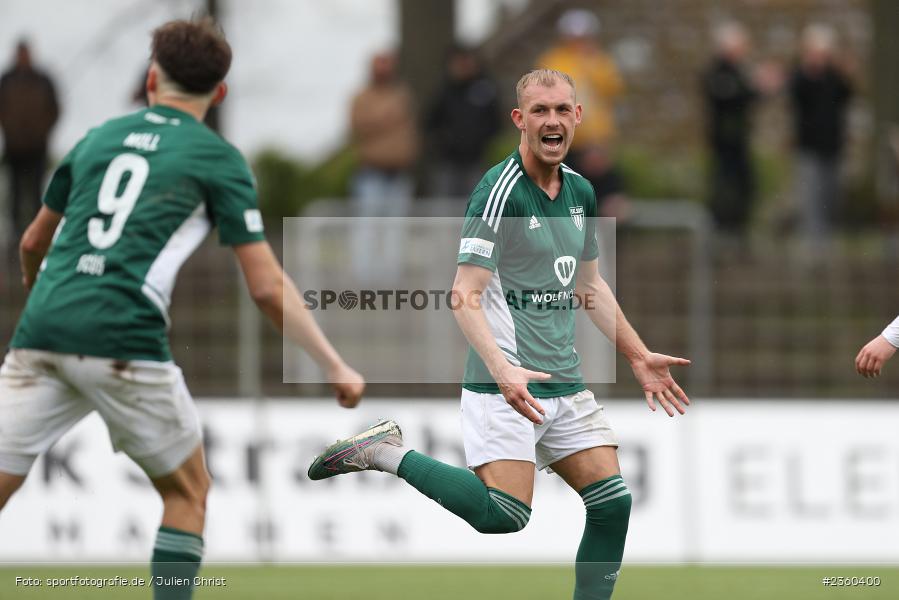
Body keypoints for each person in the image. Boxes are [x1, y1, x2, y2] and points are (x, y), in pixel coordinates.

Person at [0, 19, 365, 600]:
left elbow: (30, 244)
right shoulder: (217, 159)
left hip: (40, 331)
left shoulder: (95, 139)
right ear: (218, 93)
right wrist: (333, 364)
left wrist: (42, 297)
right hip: (123, 338)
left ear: (151, 79)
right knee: (187, 492)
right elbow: (268, 287)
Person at [308, 69, 690, 600]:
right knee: (503, 516)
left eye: (561, 110)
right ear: (520, 120)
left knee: (612, 502)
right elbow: (463, 292)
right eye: (539, 111)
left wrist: (637, 354)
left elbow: (589, 285)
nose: (552, 120)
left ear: (578, 117)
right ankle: (381, 452)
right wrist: (501, 367)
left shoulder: (580, 190)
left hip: (564, 380)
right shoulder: (499, 190)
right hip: (504, 382)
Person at [701, 22, 779, 238]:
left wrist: (764, 89)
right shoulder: (716, 71)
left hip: (739, 141)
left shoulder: (738, 71)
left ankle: (737, 232)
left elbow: (749, 97)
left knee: (746, 187)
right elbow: (731, 96)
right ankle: (719, 232)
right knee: (723, 189)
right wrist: (757, 87)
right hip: (723, 142)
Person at [348, 51, 418, 285]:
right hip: (372, 173)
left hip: (398, 173)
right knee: (368, 228)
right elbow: (357, 127)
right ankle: (365, 279)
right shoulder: (362, 97)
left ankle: (391, 279)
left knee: (395, 230)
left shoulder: (402, 95)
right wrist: (386, 118)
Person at [789, 24, 853, 257]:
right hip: (809, 147)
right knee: (811, 197)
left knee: (831, 196)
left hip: (833, 147)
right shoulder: (801, 76)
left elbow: (847, 93)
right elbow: (796, 94)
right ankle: (811, 245)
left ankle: (828, 242)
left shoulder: (834, 77)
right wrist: (809, 71)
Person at [0, 40, 59, 241]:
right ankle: (15, 238)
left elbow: (54, 110)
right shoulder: (6, 80)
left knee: (36, 195)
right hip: (14, 149)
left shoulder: (43, 80)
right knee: (15, 196)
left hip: (37, 148)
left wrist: (42, 131)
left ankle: (37, 235)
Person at [425, 44, 502, 198]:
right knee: (446, 208)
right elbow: (430, 122)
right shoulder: (444, 91)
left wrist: (480, 140)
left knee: (477, 205)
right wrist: (444, 140)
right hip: (447, 160)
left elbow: (496, 121)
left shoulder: (485, 89)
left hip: (476, 159)